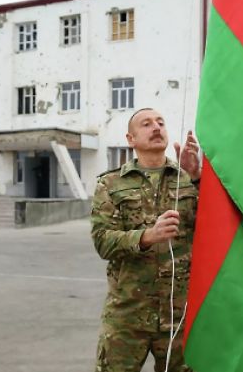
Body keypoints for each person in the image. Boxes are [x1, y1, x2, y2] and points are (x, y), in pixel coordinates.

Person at [91, 108, 201, 371]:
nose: (156, 127)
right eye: (147, 123)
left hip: (179, 314)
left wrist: (197, 178)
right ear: (131, 139)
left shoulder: (187, 180)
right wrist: (147, 236)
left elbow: (212, 232)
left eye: (161, 122)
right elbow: (103, 241)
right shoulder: (111, 184)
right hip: (128, 313)